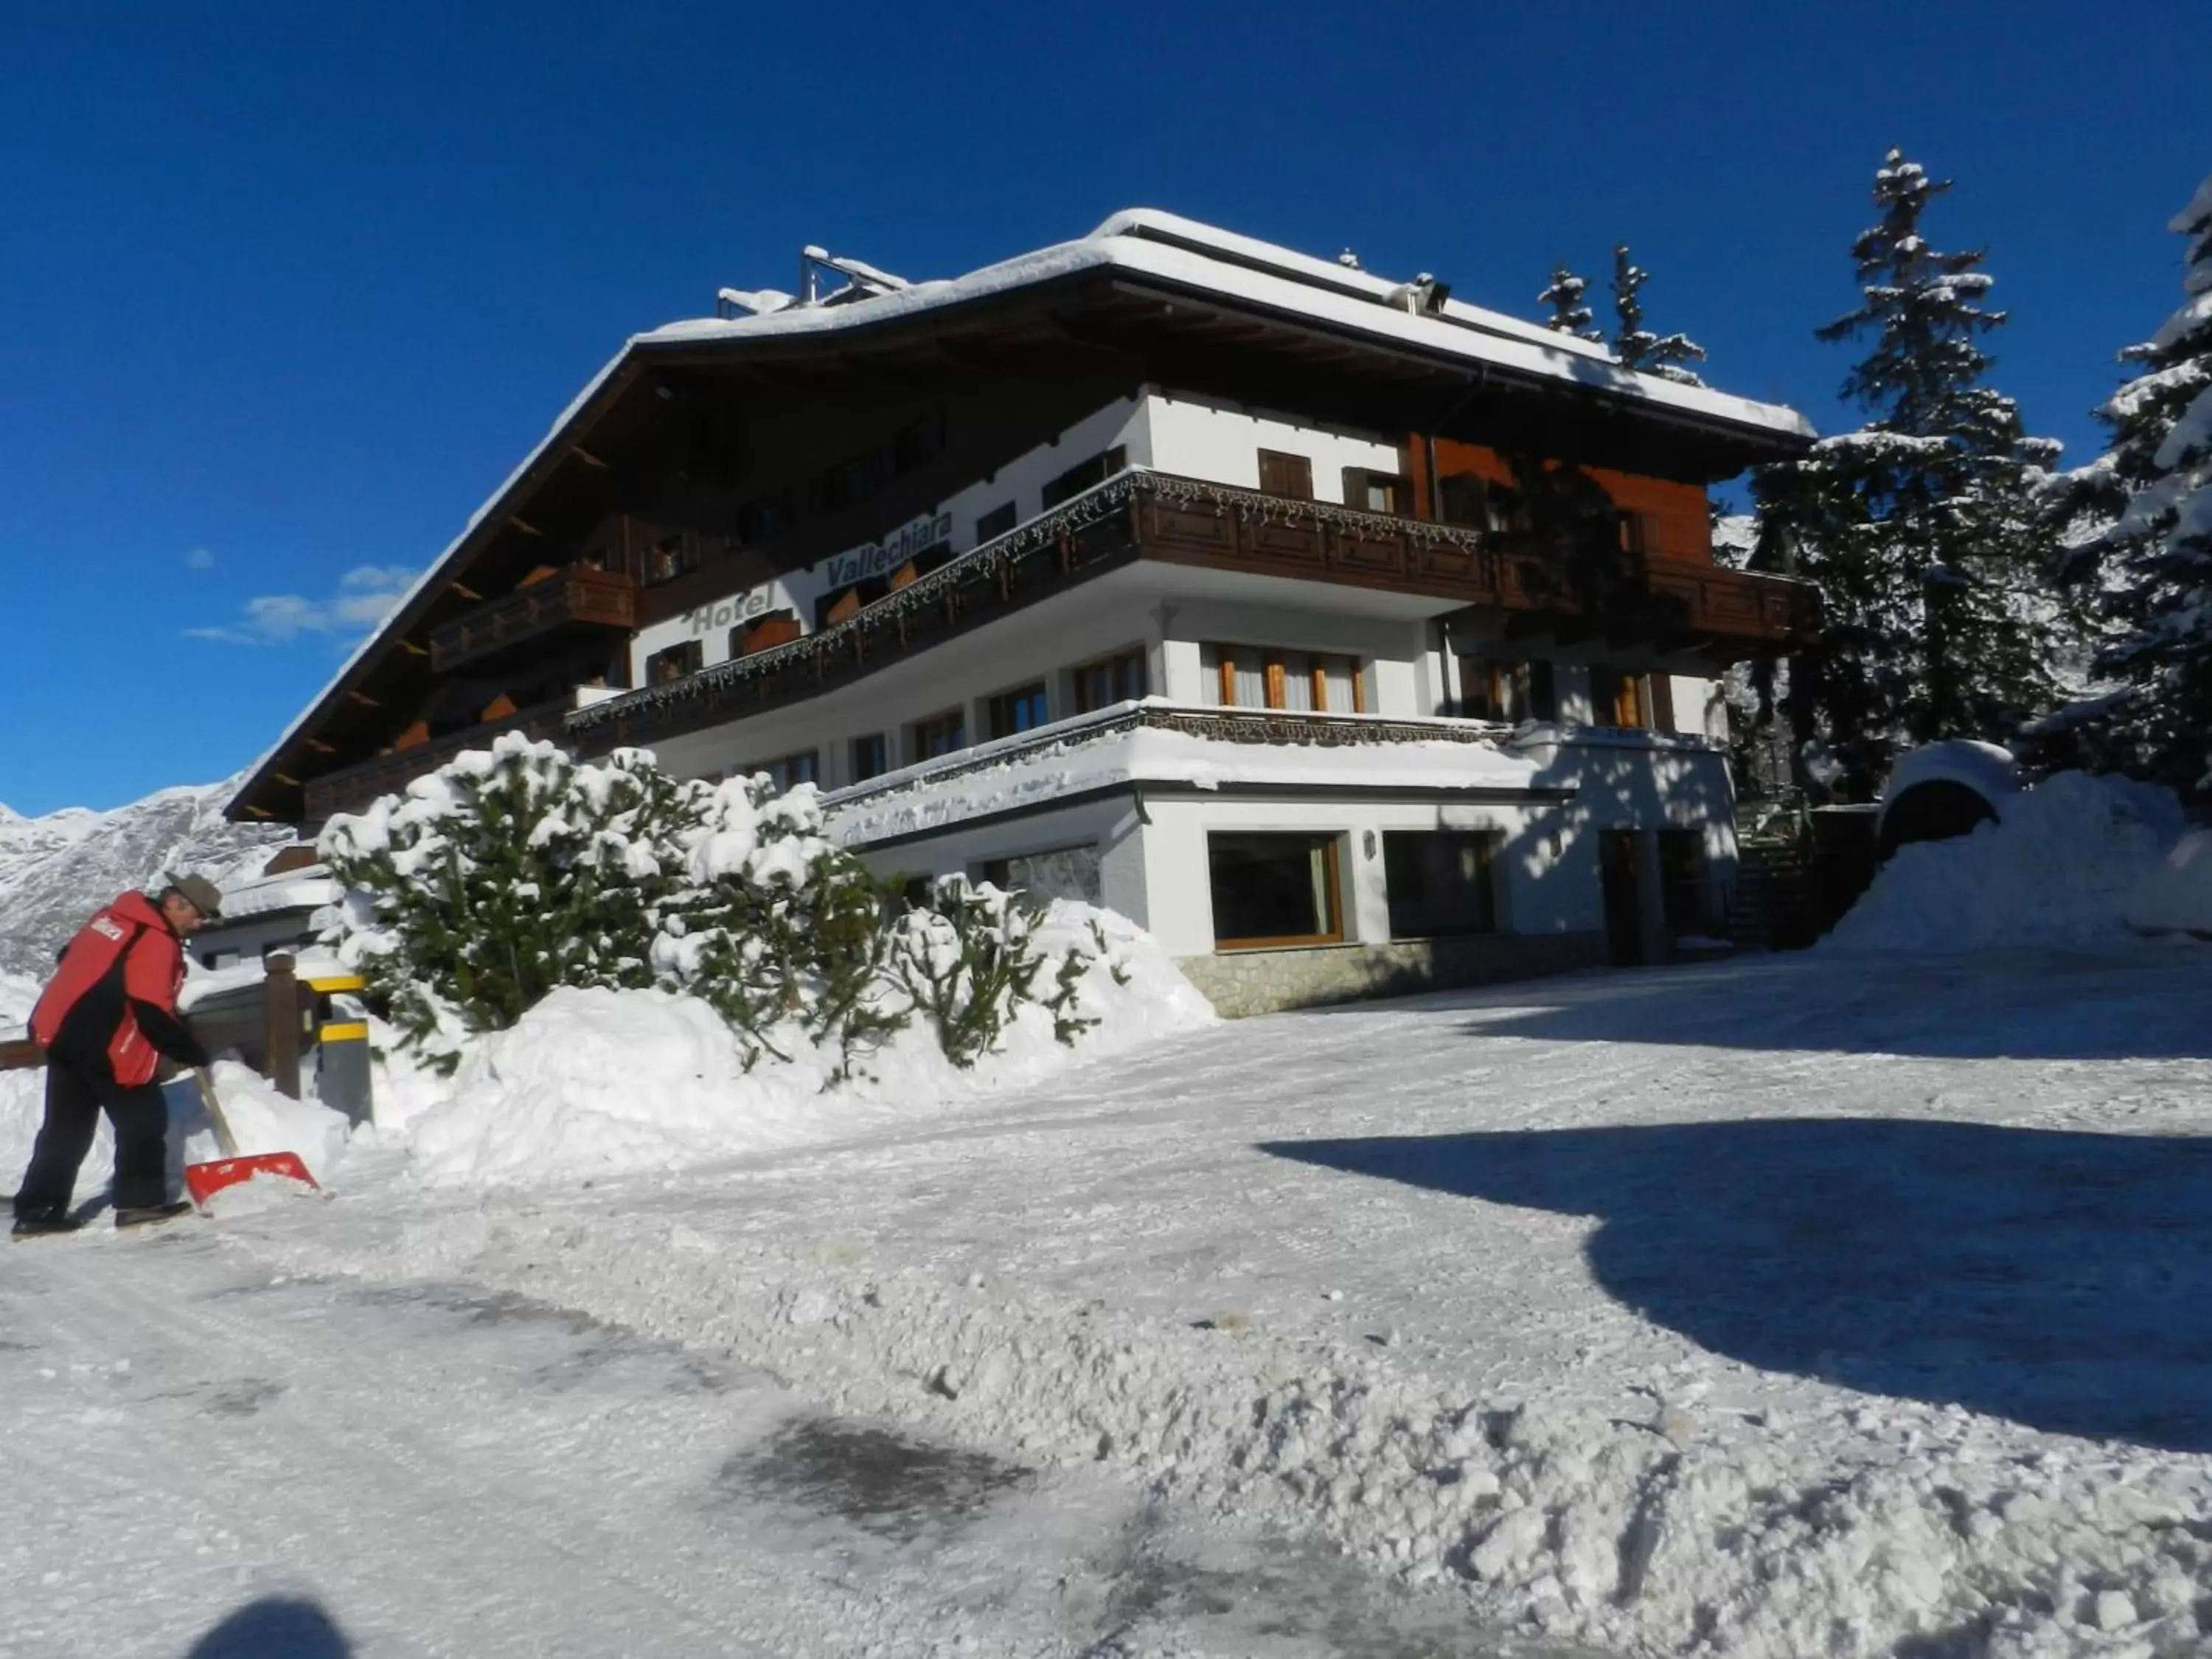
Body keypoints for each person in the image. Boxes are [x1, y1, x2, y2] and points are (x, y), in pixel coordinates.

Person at [11, 874, 221, 1236]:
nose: (199, 924)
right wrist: (187, 1050)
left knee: (66, 1129)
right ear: (175, 904)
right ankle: (140, 1203)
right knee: (144, 1119)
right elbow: (149, 1007)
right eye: (199, 915)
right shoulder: (156, 940)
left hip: (61, 1034)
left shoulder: (112, 918)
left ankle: (38, 1212)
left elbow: (67, 956)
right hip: (106, 1043)